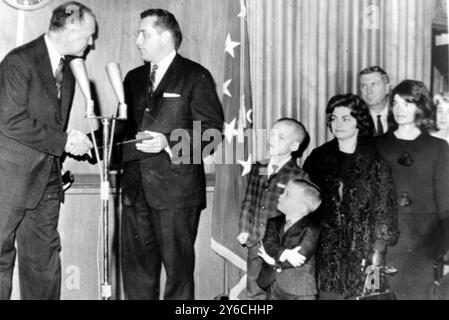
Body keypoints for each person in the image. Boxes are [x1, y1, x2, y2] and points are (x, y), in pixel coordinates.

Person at [119, 9, 224, 300]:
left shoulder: (195, 75)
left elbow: (212, 131)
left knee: (178, 276)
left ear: (166, 36)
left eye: (144, 33)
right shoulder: (133, 78)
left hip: (177, 193)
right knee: (136, 273)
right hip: (135, 190)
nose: (137, 40)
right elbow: (124, 131)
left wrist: (167, 142)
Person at [0, 1, 95, 300]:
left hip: (47, 183)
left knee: (44, 262)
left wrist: (68, 140)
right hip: (10, 182)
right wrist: (63, 141)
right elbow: (10, 120)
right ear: (70, 29)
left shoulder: (67, 68)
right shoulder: (19, 61)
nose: (91, 42)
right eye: (88, 35)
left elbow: (51, 126)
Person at [303, 93, 399, 300]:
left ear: (359, 122)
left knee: (368, 297)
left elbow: (384, 210)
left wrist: (377, 257)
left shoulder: (375, 159)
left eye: (346, 118)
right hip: (327, 251)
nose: (338, 124)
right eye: (334, 119)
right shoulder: (318, 158)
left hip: (366, 252)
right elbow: (306, 205)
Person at [375, 80, 449, 299]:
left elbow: (445, 200)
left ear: (420, 106)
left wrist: (445, 245)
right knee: (378, 294)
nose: (399, 109)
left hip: (423, 241)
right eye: (395, 103)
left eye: (407, 103)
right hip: (382, 240)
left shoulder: (437, 148)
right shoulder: (376, 145)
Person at [237, 118, 310, 300]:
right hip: (255, 242)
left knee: (278, 291)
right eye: (272, 134)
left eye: (281, 137)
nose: (273, 139)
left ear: (294, 146)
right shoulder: (259, 168)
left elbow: (300, 218)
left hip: (279, 246)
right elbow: (249, 200)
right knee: (254, 290)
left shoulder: (299, 176)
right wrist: (245, 228)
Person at [257, 179, 321, 300]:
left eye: (287, 194)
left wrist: (273, 262)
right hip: (273, 285)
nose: (280, 196)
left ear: (301, 208)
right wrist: (285, 253)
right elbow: (267, 245)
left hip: (299, 289)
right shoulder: (274, 222)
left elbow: (299, 259)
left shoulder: (311, 230)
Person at [359, 66, 397, 136]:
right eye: (364, 86)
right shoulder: (356, 118)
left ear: (387, 88)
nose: (369, 91)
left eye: (373, 84)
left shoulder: (399, 114)